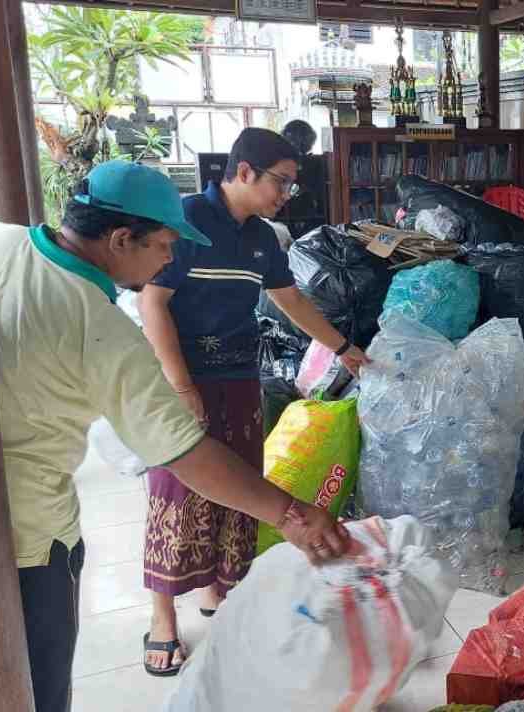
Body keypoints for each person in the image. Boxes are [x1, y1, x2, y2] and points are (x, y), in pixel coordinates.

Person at [0, 159, 350, 712]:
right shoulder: (98, 327)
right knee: (36, 685)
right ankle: (163, 616)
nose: (172, 258)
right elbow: (188, 456)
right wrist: (295, 515)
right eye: (164, 245)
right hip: (29, 539)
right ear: (122, 239)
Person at [138, 127, 369, 675]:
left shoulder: (264, 237)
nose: (287, 193)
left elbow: (289, 299)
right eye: (281, 181)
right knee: (176, 489)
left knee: (241, 482)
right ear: (244, 171)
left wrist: (342, 348)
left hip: (240, 375)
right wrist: (182, 386)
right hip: (182, 375)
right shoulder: (185, 223)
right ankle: (162, 617)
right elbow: (153, 307)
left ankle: (221, 591)